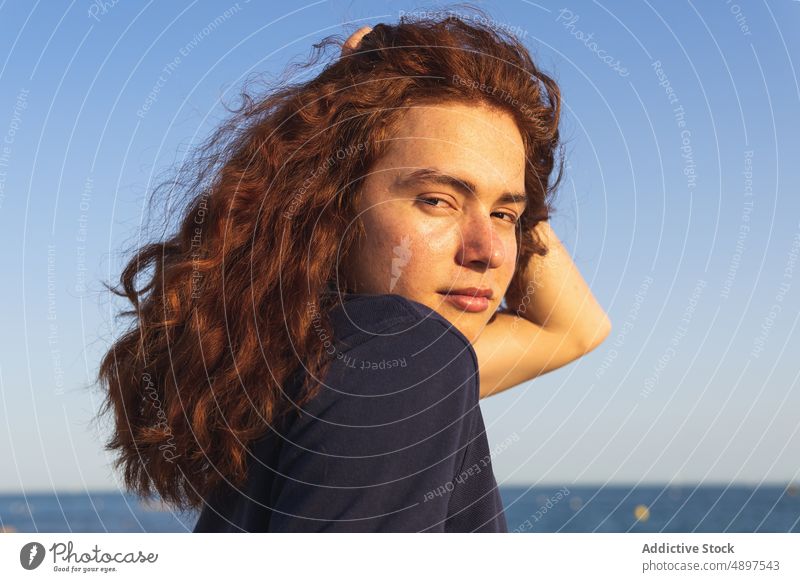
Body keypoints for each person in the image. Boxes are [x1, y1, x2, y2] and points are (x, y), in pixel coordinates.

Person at [95, 10, 610, 532]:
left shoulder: (302, 357)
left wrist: (512, 169)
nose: (490, 251)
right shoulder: (407, 354)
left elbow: (571, 329)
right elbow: (570, 330)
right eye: (437, 201)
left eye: (505, 215)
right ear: (333, 207)